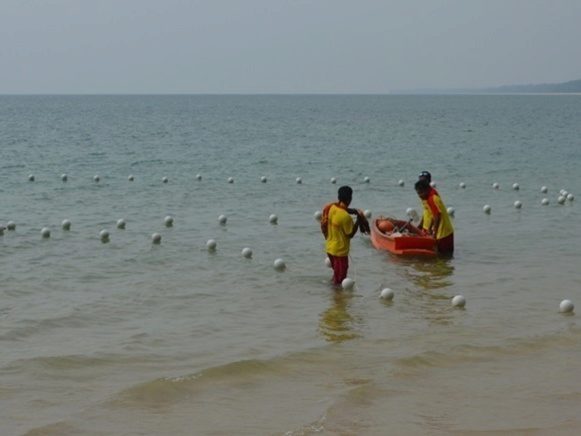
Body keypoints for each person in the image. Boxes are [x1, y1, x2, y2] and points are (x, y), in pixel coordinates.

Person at [321, 186, 368, 286]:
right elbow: (350, 234)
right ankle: (337, 299)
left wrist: (355, 211)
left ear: (339, 197)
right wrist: (358, 221)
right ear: (349, 199)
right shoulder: (345, 217)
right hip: (340, 252)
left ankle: (331, 295)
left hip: (330, 249)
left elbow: (344, 209)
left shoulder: (332, 208)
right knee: (339, 282)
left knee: (336, 276)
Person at [414, 178, 454, 255]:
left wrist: (434, 234)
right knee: (446, 257)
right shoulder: (432, 193)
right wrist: (429, 228)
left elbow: (437, 216)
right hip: (447, 231)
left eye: (420, 193)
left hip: (442, 234)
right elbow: (433, 214)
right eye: (418, 194)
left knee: (441, 258)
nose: (419, 196)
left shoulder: (431, 199)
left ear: (426, 190)